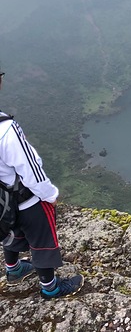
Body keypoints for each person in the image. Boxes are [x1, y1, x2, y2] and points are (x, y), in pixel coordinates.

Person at [0, 70, 84, 299]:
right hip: (24, 199)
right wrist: (49, 194)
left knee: (12, 231)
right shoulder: (5, 129)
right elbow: (29, 168)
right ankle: (51, 288)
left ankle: (14, 269)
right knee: (42, 241)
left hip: (1, 203)